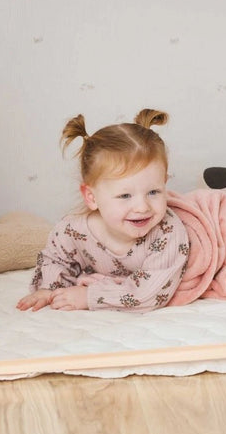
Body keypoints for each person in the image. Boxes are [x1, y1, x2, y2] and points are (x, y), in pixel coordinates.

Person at [16, 108, 190, 313]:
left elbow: (150, 293)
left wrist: (90, 296)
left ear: (164, 183)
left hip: (202, 239)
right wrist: (49, 289)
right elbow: (55, 259)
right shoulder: (72, 231)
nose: (143, 207)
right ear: (91, 197)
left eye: (153, 192)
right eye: (125, 196)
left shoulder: (167, 232)